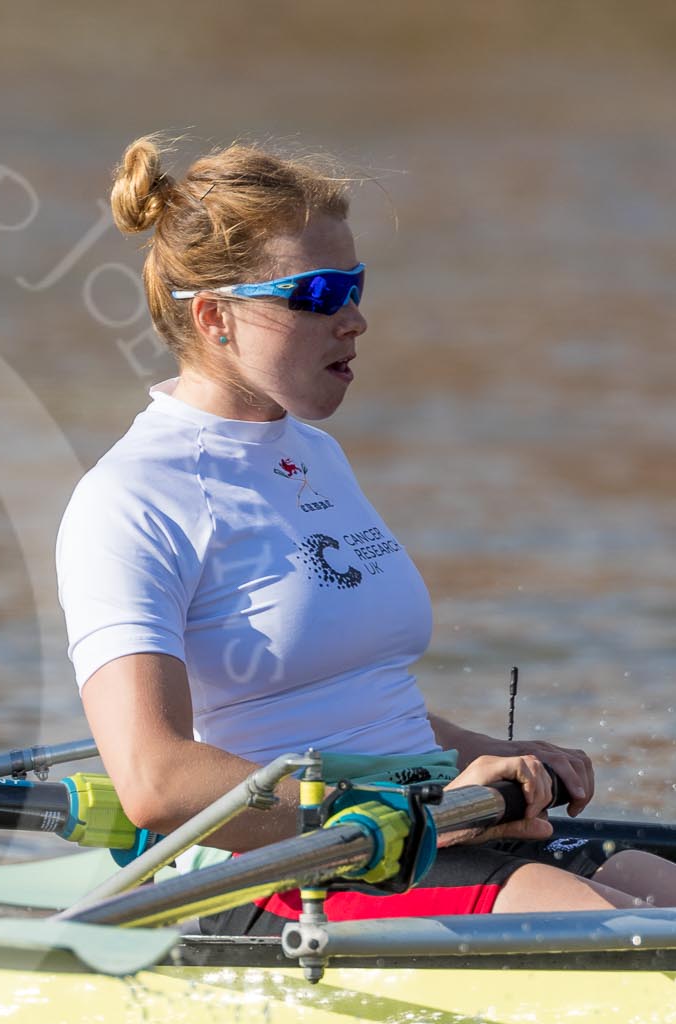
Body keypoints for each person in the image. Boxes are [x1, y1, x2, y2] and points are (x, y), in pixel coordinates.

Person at [55, 135, 676, 934]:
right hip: (277, 872)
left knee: (656, 894)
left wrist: (497, 756)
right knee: (625, 933)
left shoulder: (316, 456)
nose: (355, 319)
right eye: (317, 294)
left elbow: (364, 709)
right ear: (215, 317)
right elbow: (156, 779)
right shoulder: (132, 499)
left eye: (354, 286)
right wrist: (399, 809)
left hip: (421, 829)